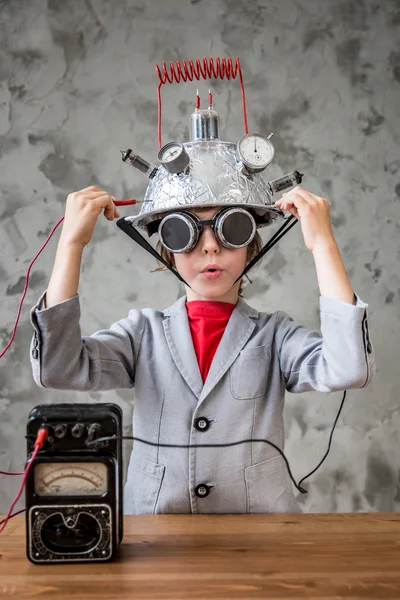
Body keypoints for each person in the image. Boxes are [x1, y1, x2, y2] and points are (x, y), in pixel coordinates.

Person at [29, 183, 375, 514]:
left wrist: (323, 243)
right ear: (166, 249)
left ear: (251, 243)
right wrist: (71, 244)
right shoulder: (142, 334)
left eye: (231, 227)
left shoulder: (275, 336)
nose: (210, 246)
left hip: (260, 534)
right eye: (185, 232)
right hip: (155, 534)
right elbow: (58, 367)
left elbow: (349, 367)